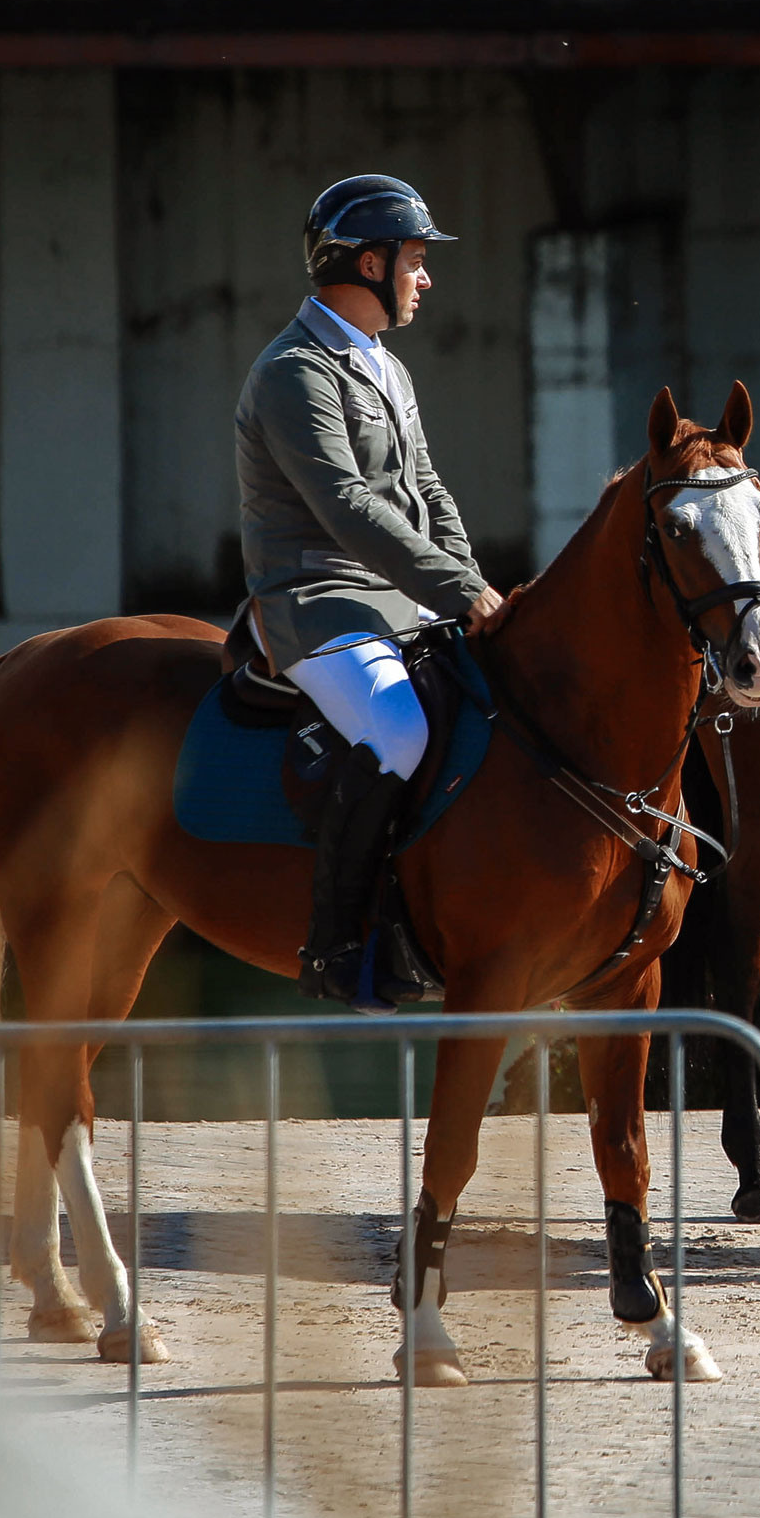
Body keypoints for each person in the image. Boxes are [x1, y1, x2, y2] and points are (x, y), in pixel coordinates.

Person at [233, 174, 505, 1001]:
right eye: (415, 261)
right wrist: (456, 591)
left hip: (403, 597)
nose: (426, 278)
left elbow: (428, 489)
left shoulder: (384, 365)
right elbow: (347, 506)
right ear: (368, 262)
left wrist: (473, 584)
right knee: (397, 728)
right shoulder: (294, 372)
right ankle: (337, 945)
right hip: (318, 601)